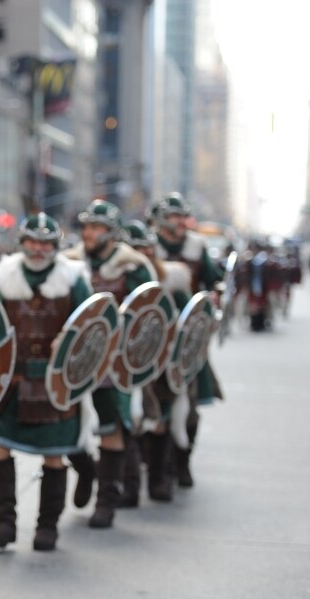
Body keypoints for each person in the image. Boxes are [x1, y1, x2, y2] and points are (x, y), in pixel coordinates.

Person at [0, 213, 94, 552]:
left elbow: (90, 332)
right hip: (13, 381)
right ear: (22, 242)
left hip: (55, 383)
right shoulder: (4, 277)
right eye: (32, 241)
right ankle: (5, 522)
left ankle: (47, 527)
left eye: (45, 242)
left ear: (55, 245)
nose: (38, 248)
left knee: (54, 457)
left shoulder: (73, 279)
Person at [63, 200, 156, 525]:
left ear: (111, 232)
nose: (88, 233)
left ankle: (107, 501)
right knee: (62, 427)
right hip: (74, 363)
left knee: (112, 427)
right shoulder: (69, 265)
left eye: (96, 227)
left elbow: (146, 318)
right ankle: (86, 469)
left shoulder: (133, 267)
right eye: (86, 226)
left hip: (113, 365)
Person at [150, 193, 224, 487]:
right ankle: (158, 468)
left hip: (188, 338)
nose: (180, 222)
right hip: (152, 338)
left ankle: (182, 462)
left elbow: (213, 278)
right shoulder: (147, 246)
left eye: (183, 217)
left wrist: (215, 292)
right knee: (154, 406)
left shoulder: (196, 246)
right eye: (174, 217)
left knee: (189, 406)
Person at [122, 220, 192, 504]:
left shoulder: (171, 280)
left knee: (161, 421)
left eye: (145, 249)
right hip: (124, 360)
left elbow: (189, 320)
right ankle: (130, 485)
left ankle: (159, 479)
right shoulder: (115, 277)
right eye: (135, 250)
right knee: (129, 422)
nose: (142, 255)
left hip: (161, 360)